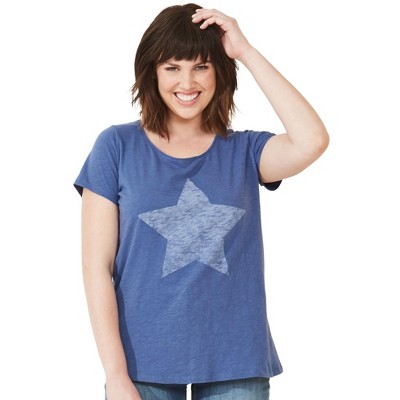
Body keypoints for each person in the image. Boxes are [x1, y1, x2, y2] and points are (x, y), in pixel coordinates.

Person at [74, 4, 329, 400]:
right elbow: (96, 268)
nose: (187, 82)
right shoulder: (116, 147)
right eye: (172, 67)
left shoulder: (244, 151)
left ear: (219, 72)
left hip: (236, 361)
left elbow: (312, 140)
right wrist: (116, 375)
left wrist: (244, 51)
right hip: (142, 364)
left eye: (201, 66)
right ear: (152, 72)